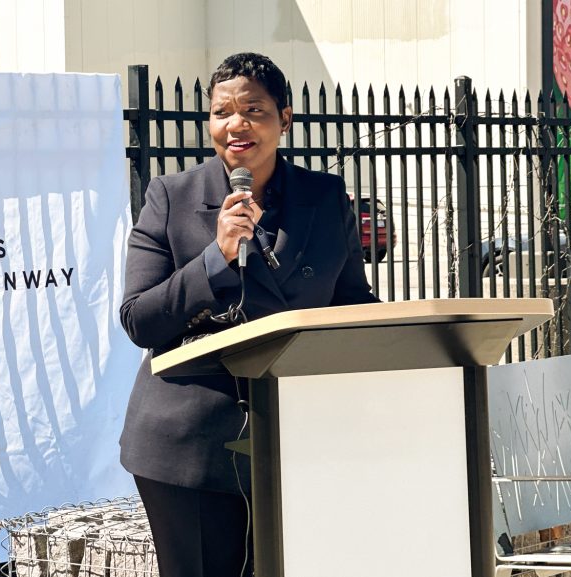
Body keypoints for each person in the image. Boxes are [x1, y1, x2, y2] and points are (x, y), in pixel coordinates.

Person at [118, 53, 379, 577]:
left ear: (284, 118)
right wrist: (214, 259)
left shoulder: (324, 198)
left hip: (301, 435)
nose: (236, 124)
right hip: (191, 442)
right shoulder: (170, 197)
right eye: (222, 112)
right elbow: (139, 319)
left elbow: (352, 301)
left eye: (253, 110)